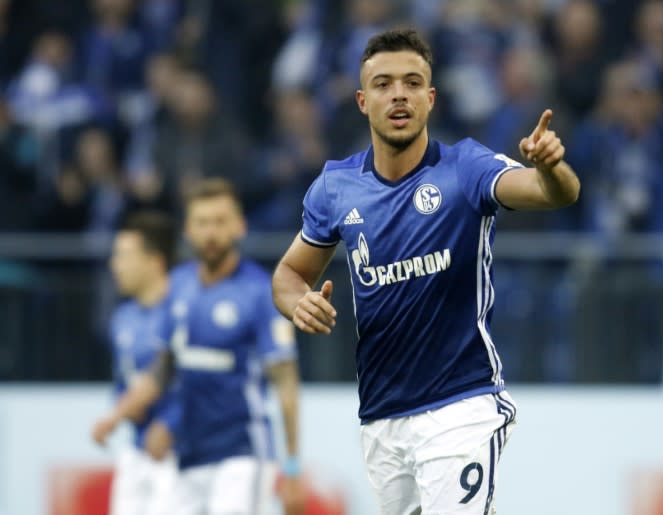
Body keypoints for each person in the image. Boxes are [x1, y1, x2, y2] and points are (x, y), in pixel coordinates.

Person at [272, 28, 580, 515]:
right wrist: (297, 302)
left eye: (413, 83)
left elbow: (554, 194)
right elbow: (289, 275)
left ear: (431, 98)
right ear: (362, 100)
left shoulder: (466, 169)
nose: (399, 93)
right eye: (384, 84)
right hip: (382, 417)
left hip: (461, 407)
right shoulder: (336, 187)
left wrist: (550, 168)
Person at [93, 178, 305, 515]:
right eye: (202, 223)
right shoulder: (178, 286)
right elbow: (163, 368)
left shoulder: (260, 293)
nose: (211, 233)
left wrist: (292, 468)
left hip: (241, 455)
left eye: (220, 222)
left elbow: (286, 384)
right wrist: (116, 416)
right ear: (188, 230)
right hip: (187, 456)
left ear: (240, 227)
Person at [92, 210, 180, 515]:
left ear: (154, 261)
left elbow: (197, 380)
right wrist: (123, 410)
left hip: (178, 452)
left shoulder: (181, 311)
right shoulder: (122, 319)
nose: (114, 266)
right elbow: (123, 381)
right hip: (136, 450)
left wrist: (171, 423)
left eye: (124, 256)